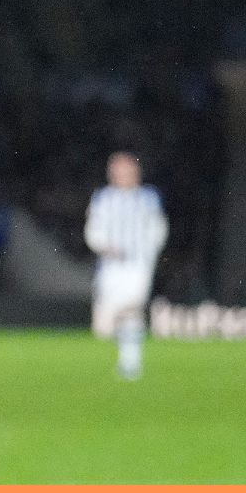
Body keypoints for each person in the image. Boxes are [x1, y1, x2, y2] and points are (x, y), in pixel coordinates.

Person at [84, 151, 167, 380]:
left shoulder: (148, 198)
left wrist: (149, 254)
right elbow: (93, 231)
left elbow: (158, 230)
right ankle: (128, 358)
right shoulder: (103, 198)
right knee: (109, 323)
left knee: (131, 307)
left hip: (138, 265)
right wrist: (104, 246)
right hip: (110, 268)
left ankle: (130, 361)